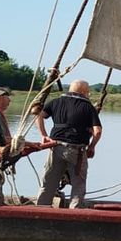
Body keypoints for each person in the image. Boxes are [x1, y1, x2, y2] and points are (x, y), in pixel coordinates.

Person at [35, 80, 102, 208]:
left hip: (54, 147)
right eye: (88, 92)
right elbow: (97, 131)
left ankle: (41, 208)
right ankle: (74, 211)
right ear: (84, 92)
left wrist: (43, 135)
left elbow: (38, 116)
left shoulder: (56, 102)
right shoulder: (88, 107)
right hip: (77, 150)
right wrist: (92, 146)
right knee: (78, 184)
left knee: (49, 181)